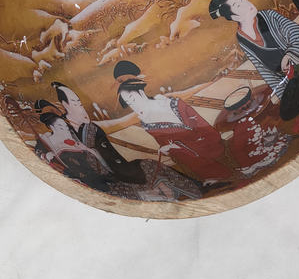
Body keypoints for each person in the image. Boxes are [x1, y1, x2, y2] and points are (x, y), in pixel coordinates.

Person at [47, 84, 204, 201]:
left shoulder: (92, 128)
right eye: (75, 103)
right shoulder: (63, 129)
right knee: (138, 176)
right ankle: (174, 193)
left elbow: (112, 155)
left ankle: (197, 188)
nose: (81, 107)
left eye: (80, 103)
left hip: (116, 167)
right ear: (65, 105)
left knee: (148, 165)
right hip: (100, 177)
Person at [112, 61, 235, 187]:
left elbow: (206, 129)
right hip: (189, 157)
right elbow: (166, 144)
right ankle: (213, 175)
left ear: (141, 93)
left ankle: (219, 172)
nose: (134, 105)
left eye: (133, 99)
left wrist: (185, 145)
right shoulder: (146, 123)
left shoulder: (172, 104)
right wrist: (168, 148)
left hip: (208, 143)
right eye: (130, 103)